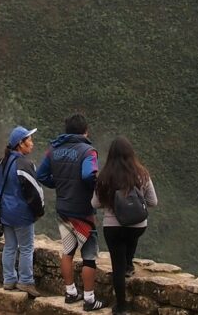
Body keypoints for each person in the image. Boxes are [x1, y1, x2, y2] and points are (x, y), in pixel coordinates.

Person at [36, 114, 105, 311]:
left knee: (67, 251)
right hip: (83, 212)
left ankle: (70, 292)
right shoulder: (89, 152)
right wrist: (95, 188)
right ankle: (90, 299)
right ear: (85, 131)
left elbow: (41, 175)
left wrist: (57, 184)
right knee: (88, 256)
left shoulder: (54, 150)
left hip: (63, 209)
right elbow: (88, 174)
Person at [91, 137, 158, 314]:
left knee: (117, 267)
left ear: (111, 155)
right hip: (137, 225)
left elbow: (95, 204)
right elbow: (153, 201)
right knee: (131, 234)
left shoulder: (104, 176)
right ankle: (129, 264)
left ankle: (121, 307)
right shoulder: (142, 174)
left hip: (113, 228)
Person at [0, 125, 46, 296]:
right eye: (29, 140)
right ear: (20, 144)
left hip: (5, 212)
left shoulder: (1, 163)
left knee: (9, 246)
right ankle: (25, 281)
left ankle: (9, 280)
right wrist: (39, 211)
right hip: (21, 214)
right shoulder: (25, 164)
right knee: (26, 248)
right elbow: (35, 192)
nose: (32, 143)